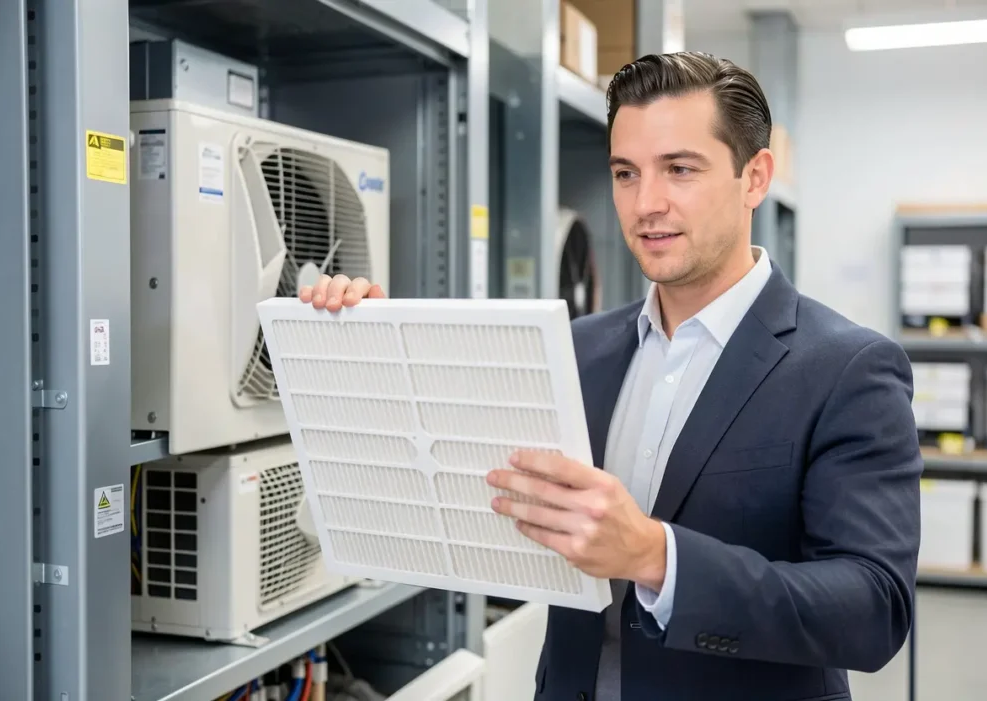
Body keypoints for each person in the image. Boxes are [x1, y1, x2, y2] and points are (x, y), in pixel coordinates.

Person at [299, 52, 921, 701]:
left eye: (679, 169)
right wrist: (369, 360)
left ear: (754, 176)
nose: (646, 203)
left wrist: (657, 556)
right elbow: (470, 516)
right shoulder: (579, 348)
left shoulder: (847, 367)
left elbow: (872, 609)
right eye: (626, 173)